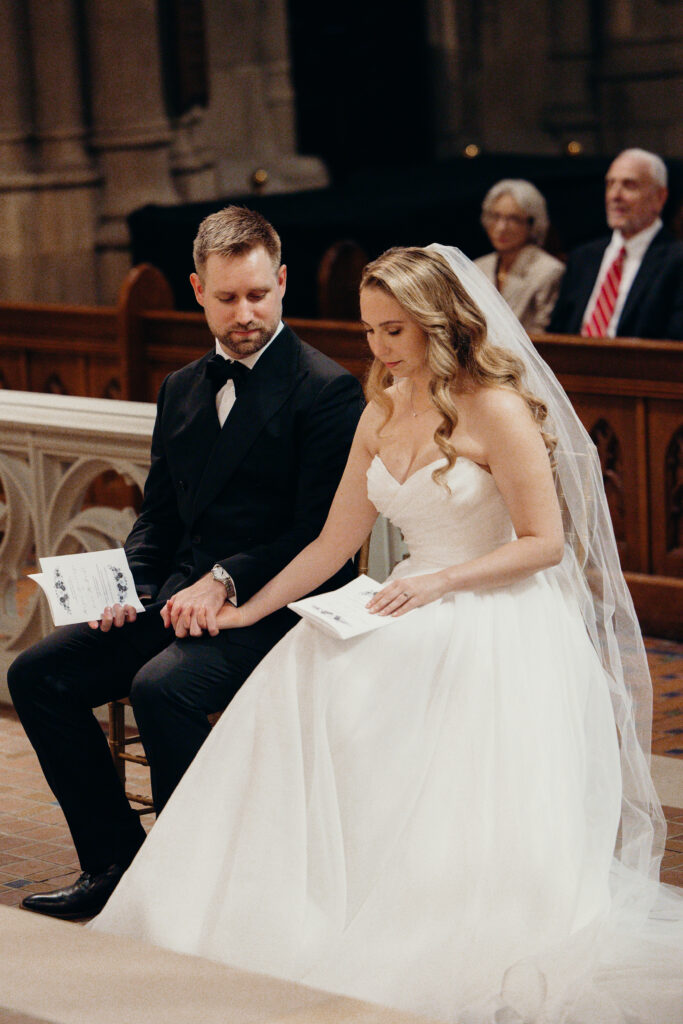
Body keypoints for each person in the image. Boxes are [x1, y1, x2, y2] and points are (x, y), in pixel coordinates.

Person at [91, 245, 683, 1023]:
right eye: (369, 331)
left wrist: (438, 581)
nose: (379, 349)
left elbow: (543, 543)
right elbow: (332, 544)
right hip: (402, 595)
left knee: (388, 699)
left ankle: (419, 905)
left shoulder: (495, 408)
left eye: (395, 331)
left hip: (489, 605)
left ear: (441, 323)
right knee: (301, 672)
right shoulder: (380, 406)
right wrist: (248, 610)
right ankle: (301, 899)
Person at [8, 206, 364, 921]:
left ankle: (203, 883)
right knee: (38, 674)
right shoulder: (179, 388)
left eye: (258, 294)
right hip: (177, 595)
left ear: (283, 282)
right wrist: (127, 585)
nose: (244, 313)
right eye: (227, 297)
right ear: (197, 289)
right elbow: (160, 517)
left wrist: (224, 579)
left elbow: (318, 536)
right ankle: (115, 863)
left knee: (161, 689)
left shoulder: (327, 390)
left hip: (276, 603)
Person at [549, 148, 683, 339]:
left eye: (629, 185)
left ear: (659, 197)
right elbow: (557, 333)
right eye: (610, 184)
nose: (615, 195)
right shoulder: (583, 258)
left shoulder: (676, 261)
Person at [475, 178, 565, 333]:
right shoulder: (477, 267)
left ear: (533, 224)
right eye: (495, 216)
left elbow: (544, 337)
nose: (501, 227)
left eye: (513, 219)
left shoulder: (548, 271)